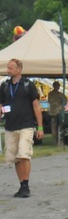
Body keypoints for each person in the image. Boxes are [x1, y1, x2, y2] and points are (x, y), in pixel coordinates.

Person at [0, 59, 44, 198]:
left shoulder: (28, 85)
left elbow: (36, 106)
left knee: (24, 154)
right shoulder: (4, 86)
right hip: (10, 126)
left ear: (19, 69)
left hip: (26, 124)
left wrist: (40, 126)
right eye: (8, 67)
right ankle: (21, 185)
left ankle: (26, 184)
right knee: (15, 157)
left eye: (11, 68)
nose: (8, 70)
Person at [47, 81, 67, 146]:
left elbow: (65, 101)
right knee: (55, 127)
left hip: (58, 112)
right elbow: (51, 101)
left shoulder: (58, 94)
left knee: (58, 127)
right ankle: (56, 141)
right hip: (55, 112)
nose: (57, 87)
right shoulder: (52, 94)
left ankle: (59, 141)